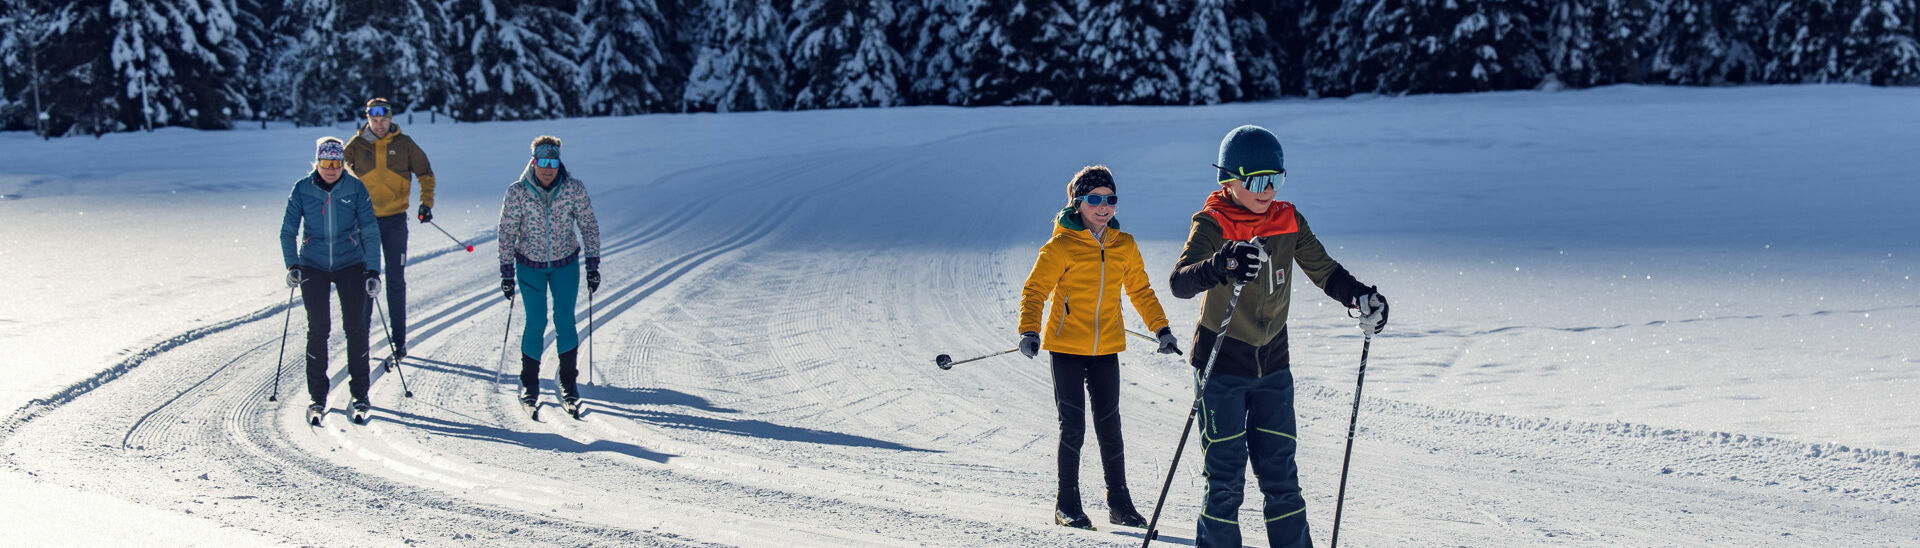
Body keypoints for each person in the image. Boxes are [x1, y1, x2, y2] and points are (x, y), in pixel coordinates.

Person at [1167, 125, 1389, 547]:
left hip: (1272, 364)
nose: (1267, 190)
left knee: (1282, 477)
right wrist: (1222, 264)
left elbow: (1326, 272)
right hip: (1221, 365)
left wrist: (1361, 297)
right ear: (1229, 180)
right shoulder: (1213, 222)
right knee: (1226, 481)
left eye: (1276, 179)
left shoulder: (1288, 220)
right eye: (1257, 181)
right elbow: (1180, 282)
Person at [1017, 166, 1184, 530]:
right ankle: (1067, 504)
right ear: (1078, 203)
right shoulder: (1060, 247)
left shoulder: (1124, 245)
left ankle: (1120, 504)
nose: (1104, 206)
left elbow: (1140, 291)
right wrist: (1029, 330)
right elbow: (1035, 290)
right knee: (1073, 425)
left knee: (1110, 426)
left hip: (1106, 347)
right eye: (1095, 199)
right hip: (1066, 349)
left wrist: (1162, 329)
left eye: (1110, 199)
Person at [280, 137, 384, 422]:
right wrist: (293, 265)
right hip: (313, 264)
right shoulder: (302, 189)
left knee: (356, 326)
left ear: (342, 164)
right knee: (319, 329)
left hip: (350, 262)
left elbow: (371, 231)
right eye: (325, 163)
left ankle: (360, 393)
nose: (330, 169)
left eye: (336, 164)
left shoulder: (355, 188)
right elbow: (288, 231)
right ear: (317, 163)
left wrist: (373, 270)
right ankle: (317, 396)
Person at [497, 135, 601, 416]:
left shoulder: (573, 189)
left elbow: (589, 225)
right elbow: (507, 232)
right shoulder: (517, 192)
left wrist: (593, 263)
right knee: (535, 321)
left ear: (559, 162)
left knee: (565, 319)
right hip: (529, 264)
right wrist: (506, 270)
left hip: (564, 263)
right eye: (542, 162)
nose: (548, 168)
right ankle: (529, 384)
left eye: (553, 162)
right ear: (533, 162)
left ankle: (569, 383)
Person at [344, 97, 436, 359]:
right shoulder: (356, 146)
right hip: (363, 223)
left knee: (396, 280)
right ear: (368, 119)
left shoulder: (405, 144)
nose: (380, 124)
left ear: (391, 118)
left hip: (395, 221)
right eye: (375, 119)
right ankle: (362, 339)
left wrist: (425, 203)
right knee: (365, 280)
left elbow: (425, 174)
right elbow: (338, 179)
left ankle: (399, 340)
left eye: (384, 119)